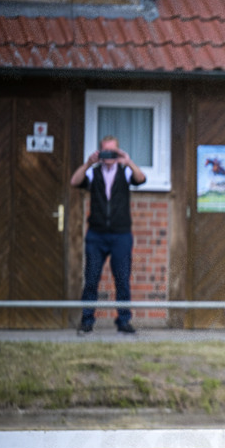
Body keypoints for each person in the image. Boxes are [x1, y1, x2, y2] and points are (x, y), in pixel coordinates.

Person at [70, 135, 146, 334]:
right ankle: (87, 321)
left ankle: (123, 321)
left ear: (118, 152)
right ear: (100, 152)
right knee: (91, 279)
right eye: (105, 151)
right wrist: (88, 163)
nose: (109, 156)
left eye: (113, 152)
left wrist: (128, 161)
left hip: (121, 235)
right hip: (96, 235)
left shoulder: (125, 171)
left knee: (122, 280)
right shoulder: (94, 173)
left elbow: (141, 179)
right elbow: (74, 181)